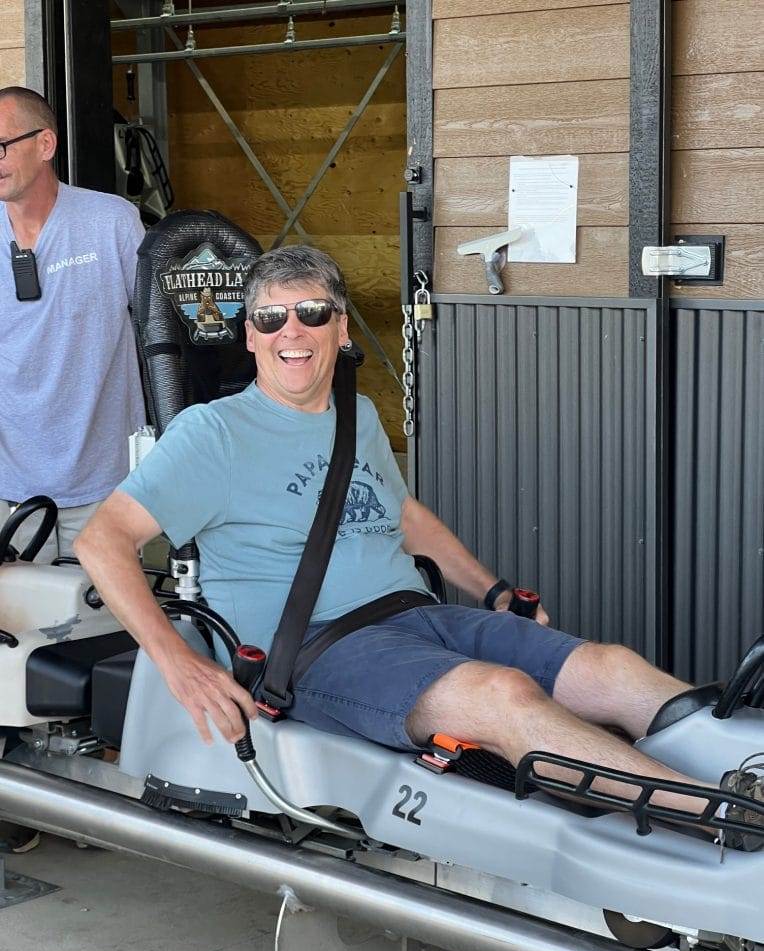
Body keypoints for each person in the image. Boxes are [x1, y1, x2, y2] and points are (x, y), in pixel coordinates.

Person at [74, 245, 762, 850]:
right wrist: (178, 664)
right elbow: (101, 540)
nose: (293, 332)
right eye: (271, 318)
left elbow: (401, 516)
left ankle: (742, 767)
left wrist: (490, 589)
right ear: (250, 337)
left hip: (418, 613)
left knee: (612, 668)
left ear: (340, 329)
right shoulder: (213, 433)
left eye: (313, 313)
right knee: (502, 694)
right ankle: (725, 818)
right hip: (316, 648)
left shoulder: (359, 416)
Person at [0, 87, 146, 853]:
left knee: (110, 646)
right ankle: (17, 800)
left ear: (46, 144)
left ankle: (111, 805)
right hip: (9, 484)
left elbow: (165, 341)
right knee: (11, 644)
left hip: (105, 482)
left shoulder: (113, 223)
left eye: (1, 145)